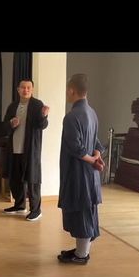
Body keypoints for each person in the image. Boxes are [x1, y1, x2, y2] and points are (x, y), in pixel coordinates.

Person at [57, 73, 104, 264]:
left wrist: (92, 160)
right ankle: (80, 250)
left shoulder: (71, 117)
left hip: (77, 173)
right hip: (90, 174)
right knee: (86, 210)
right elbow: (97, 143)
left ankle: (82, 255)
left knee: (81, 212)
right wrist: (96, 157)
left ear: (71, 90)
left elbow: (76, 148)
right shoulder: (92, 112)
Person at [2, 79, 50, 221]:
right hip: (14, 148)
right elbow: (5, 126)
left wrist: (44, 115)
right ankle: (19, 205)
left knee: (32, 180)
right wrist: (11, 124)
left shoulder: (37, 105)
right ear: (18, 90)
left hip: (30, 150)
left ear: (32, 89)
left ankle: (36, 210)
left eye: (29, 87)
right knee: (15, 179)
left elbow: (42, 125)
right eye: (23, 87)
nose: (26, 90)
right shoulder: (12, 106)